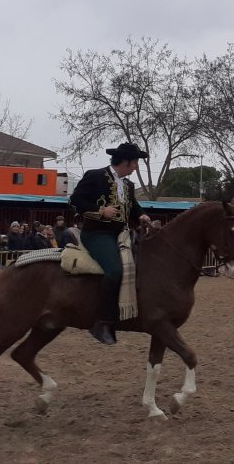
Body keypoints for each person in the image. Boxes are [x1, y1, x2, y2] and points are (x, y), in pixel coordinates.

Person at [68, 142, 146, 345]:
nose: (136, 167)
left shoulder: (128, 186)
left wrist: (143, 215)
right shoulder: (95, 176)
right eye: (135, 162)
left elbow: (134, 206)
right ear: (126, 162)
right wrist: (101, 211)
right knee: (114, 271)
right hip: (96, 234)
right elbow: (75, 199)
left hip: (121, 234)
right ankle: (101, 322)